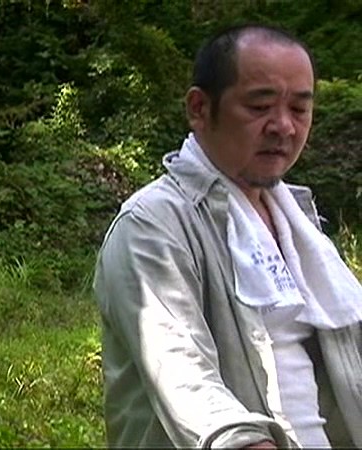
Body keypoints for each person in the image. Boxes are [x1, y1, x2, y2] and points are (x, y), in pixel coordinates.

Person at [94, 24, 362, 449]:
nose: (284, 126)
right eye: (260, 106)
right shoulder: (152, 225)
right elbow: (184, 378)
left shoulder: (300, 222)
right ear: (199, 108)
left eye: (299, 108)